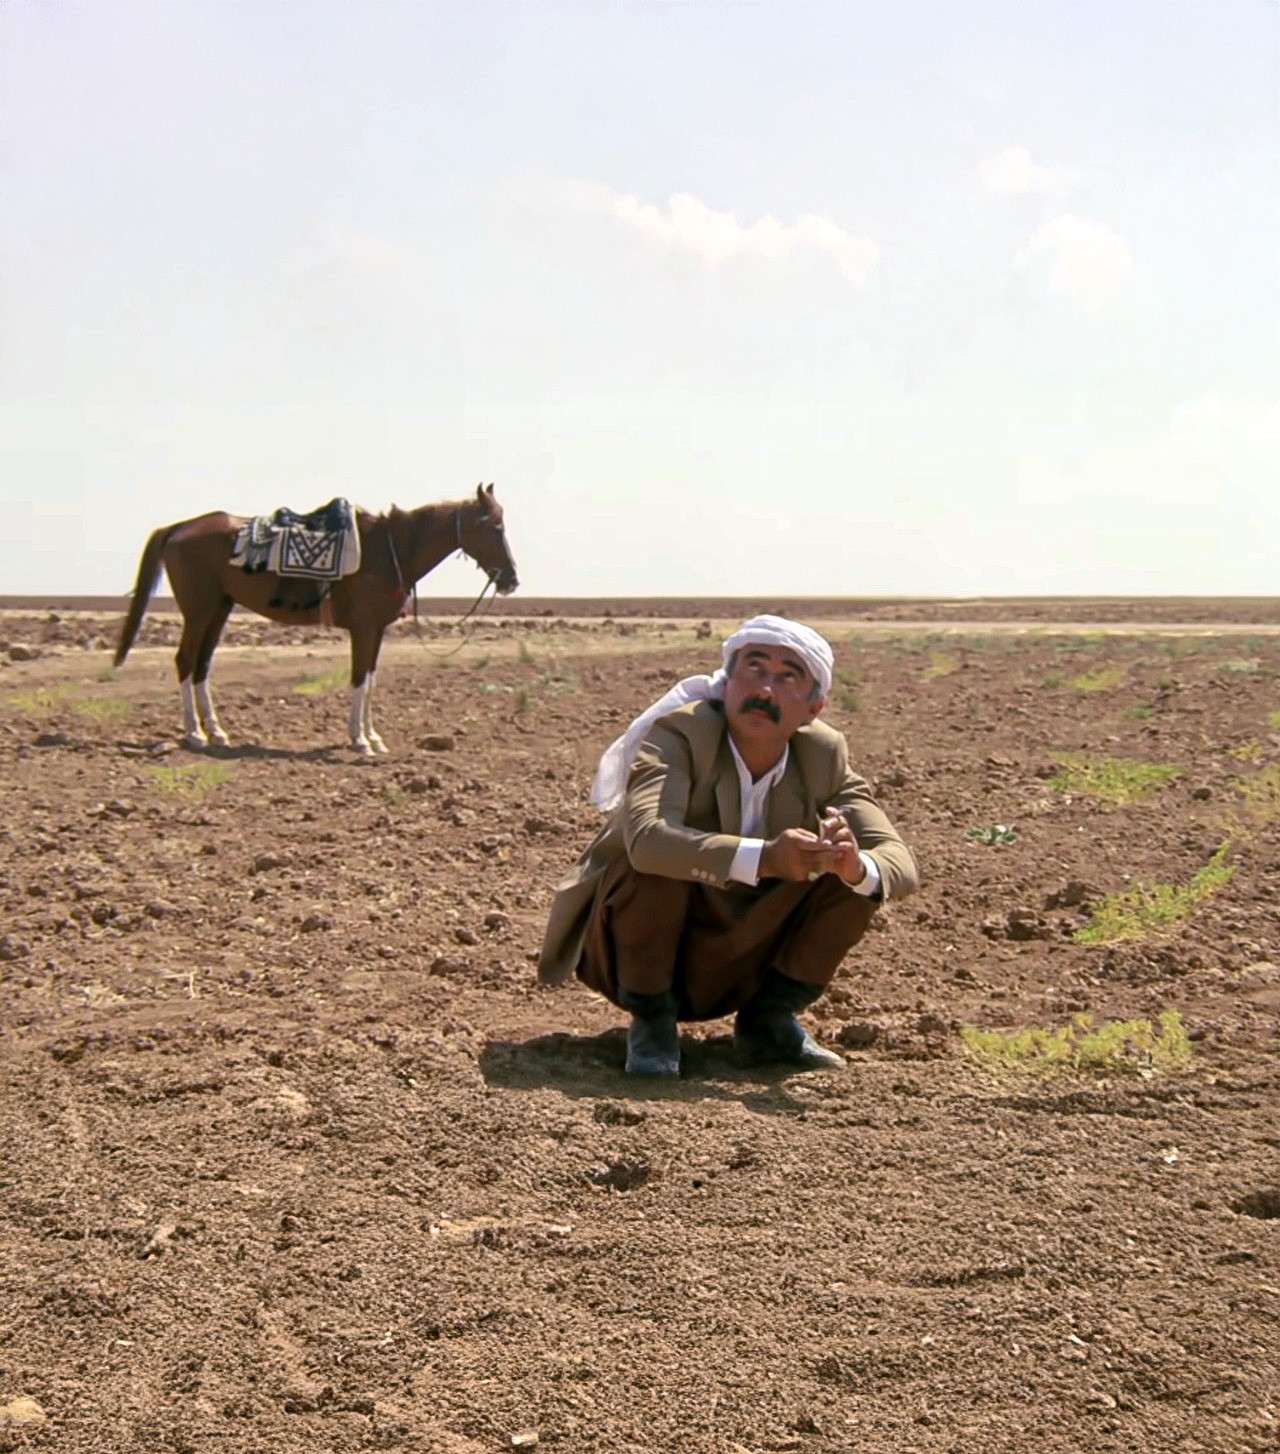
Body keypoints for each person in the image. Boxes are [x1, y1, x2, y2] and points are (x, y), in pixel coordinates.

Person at [536, 615, 919, 1076]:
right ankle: (653, 1024)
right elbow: (647, 840)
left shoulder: (822, 756)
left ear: (814, 708)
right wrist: (765, 858)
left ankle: (769, 1022)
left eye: (788, 677)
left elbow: (898, 862)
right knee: (654, 866)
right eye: (754, 668)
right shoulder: (681, 735)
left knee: (854, 877)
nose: (765, 690)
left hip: (748, 951)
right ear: (727, 681)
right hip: (645, 950)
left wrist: (854, 866)